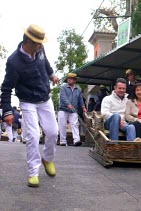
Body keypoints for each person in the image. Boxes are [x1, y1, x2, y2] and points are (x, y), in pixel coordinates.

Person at [1, 24, 59, 187]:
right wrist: (7, 111)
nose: (41, 46)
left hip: (44, 98)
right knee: (33, 136)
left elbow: (46, 64)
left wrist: (52, 74)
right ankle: (33, 172)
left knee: (53, 132)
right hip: (27, 101)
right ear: (28, 41)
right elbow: (6, 88)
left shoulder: (40, 50)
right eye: (38, 43)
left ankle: (47, 158)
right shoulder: (14, 62)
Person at [58, 73, 86, 147]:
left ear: (74, 80)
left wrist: (83, 107)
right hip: (63, 109)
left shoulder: (78, 89)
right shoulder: (63, 88)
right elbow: (63, 97)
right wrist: (68, 104)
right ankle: (63, 141)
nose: (69, 79)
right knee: (62, 125)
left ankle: (76, 140)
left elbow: (80, 99)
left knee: (75, 124)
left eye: (71, 78)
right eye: (68, 78)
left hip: (73, 110)